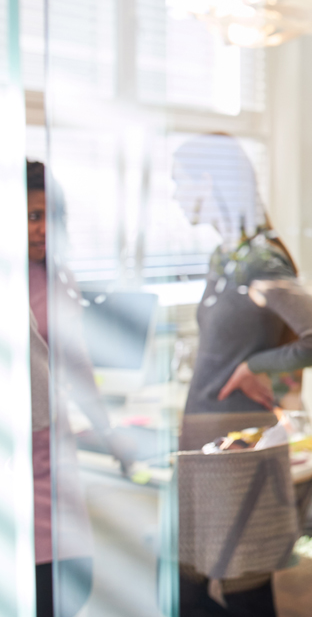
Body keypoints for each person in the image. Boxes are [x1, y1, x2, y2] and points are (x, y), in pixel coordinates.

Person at [171, 133, 312, 616]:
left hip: (238, 439)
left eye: (179, 182)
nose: (174, 194)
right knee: (191, 580)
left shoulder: (259, 261)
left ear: (208, 181)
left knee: (240, 583)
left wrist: (255, 365)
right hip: (204, 432)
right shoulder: (224, 258)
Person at [27, 160, 133, 617]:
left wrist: (110, 434)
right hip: (15, 459)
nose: (41, 230)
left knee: (72, 581)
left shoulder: (57, 278)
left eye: (50, 218)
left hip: (54, 451)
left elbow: (77, 366)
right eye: (32, 216)